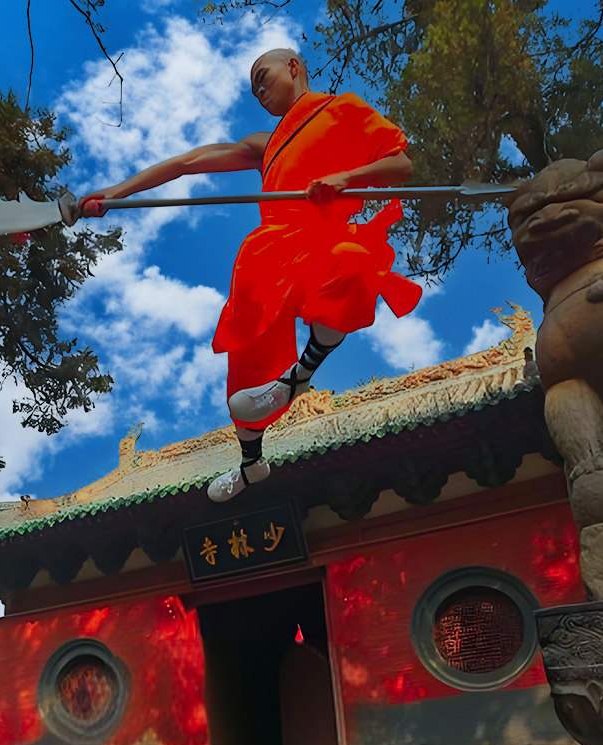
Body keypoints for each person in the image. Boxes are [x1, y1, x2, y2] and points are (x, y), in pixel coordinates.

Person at [80, 49, 422, 502]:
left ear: (294, 67)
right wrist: (115, 193)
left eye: (263, 79)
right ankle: (250, 463)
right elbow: (187, 162)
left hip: (323, 238)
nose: (259, 93)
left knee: (354, 262)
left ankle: (300, 375)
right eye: (253, 89)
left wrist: (346, 178)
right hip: (271, 250)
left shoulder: (342, 110)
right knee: (246, 368)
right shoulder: (266, 144)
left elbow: (401, 165)